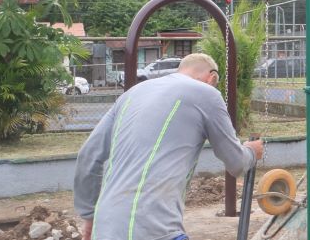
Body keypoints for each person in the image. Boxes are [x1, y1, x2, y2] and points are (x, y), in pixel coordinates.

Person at [74, 53, 264, 240]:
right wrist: (251, 151)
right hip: (153, 227)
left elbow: (88, 155)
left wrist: (89, 215)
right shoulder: (207, 93)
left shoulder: (131, 94)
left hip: (105, 227)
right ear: (212, 77)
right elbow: (236, 163)